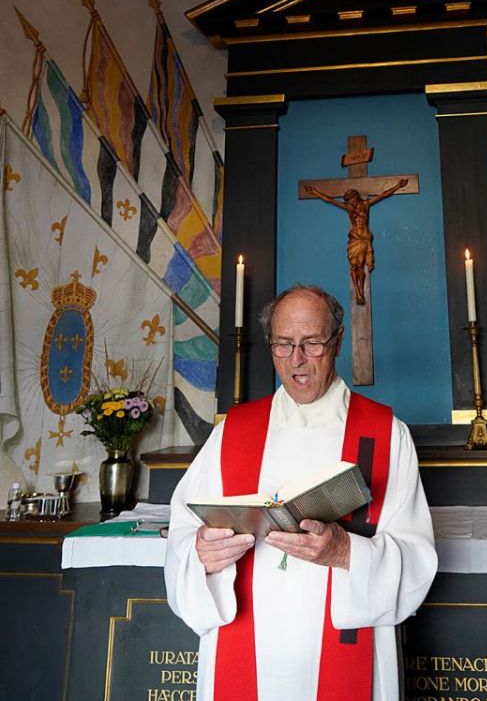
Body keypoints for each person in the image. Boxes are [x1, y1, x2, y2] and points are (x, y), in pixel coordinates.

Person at [165, 283, 437, 701]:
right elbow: (184, 532)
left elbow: (416, 557)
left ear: (338, 340)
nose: (297, 360)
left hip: (344, 651)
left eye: (311, 343)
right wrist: (200, 555)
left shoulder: (385, 434)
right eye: (283, 345)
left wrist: (346, 552)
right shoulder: (232, 433)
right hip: (245, 644)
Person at [304, 179, 408, 303]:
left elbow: (384, 194)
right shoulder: (348, 208)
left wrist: (397, 186)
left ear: (356, 197)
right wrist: (315, 192)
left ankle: (361, 291)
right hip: (354, 239)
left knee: (361, 266)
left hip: (364, 239)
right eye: (348, 201)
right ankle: (358, 291)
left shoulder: (366, 204)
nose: (351, 202)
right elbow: (330, 200)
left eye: (352, 199)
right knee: (353, 266)